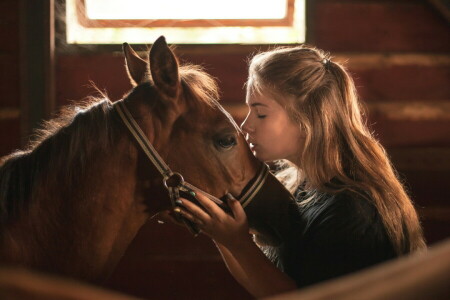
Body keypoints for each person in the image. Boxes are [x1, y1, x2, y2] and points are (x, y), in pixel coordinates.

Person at [170, 45, 426, 298]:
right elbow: (264, 287)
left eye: (260, 113)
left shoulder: (352, 210)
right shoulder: (298, 186)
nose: (246, 126)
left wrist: (239, 243)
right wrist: (223, 235)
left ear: (307, 119)